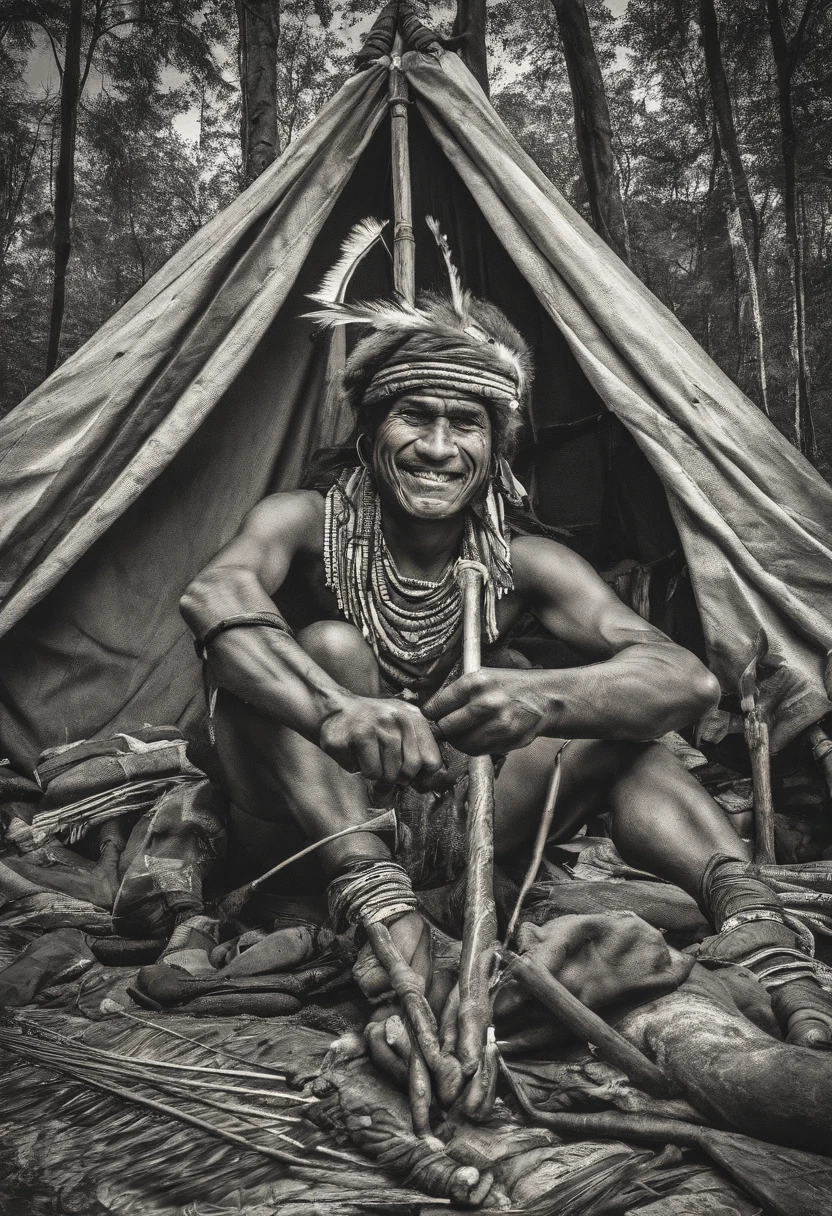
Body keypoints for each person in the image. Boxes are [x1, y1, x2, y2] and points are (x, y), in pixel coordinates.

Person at [180, 272, 832, 1062]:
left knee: (628, 736)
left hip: (447, 823)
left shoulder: (527, 561)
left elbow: (685, 679)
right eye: (413, 416)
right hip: (306, 822)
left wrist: (544, 698)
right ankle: (377, 905)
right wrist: (333, 708)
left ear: (496, 447)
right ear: (371, 427)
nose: (438, 447)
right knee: (330, 651)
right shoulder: (304, 521)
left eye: (467, 424)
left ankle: (756, 924)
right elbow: (215, 593)